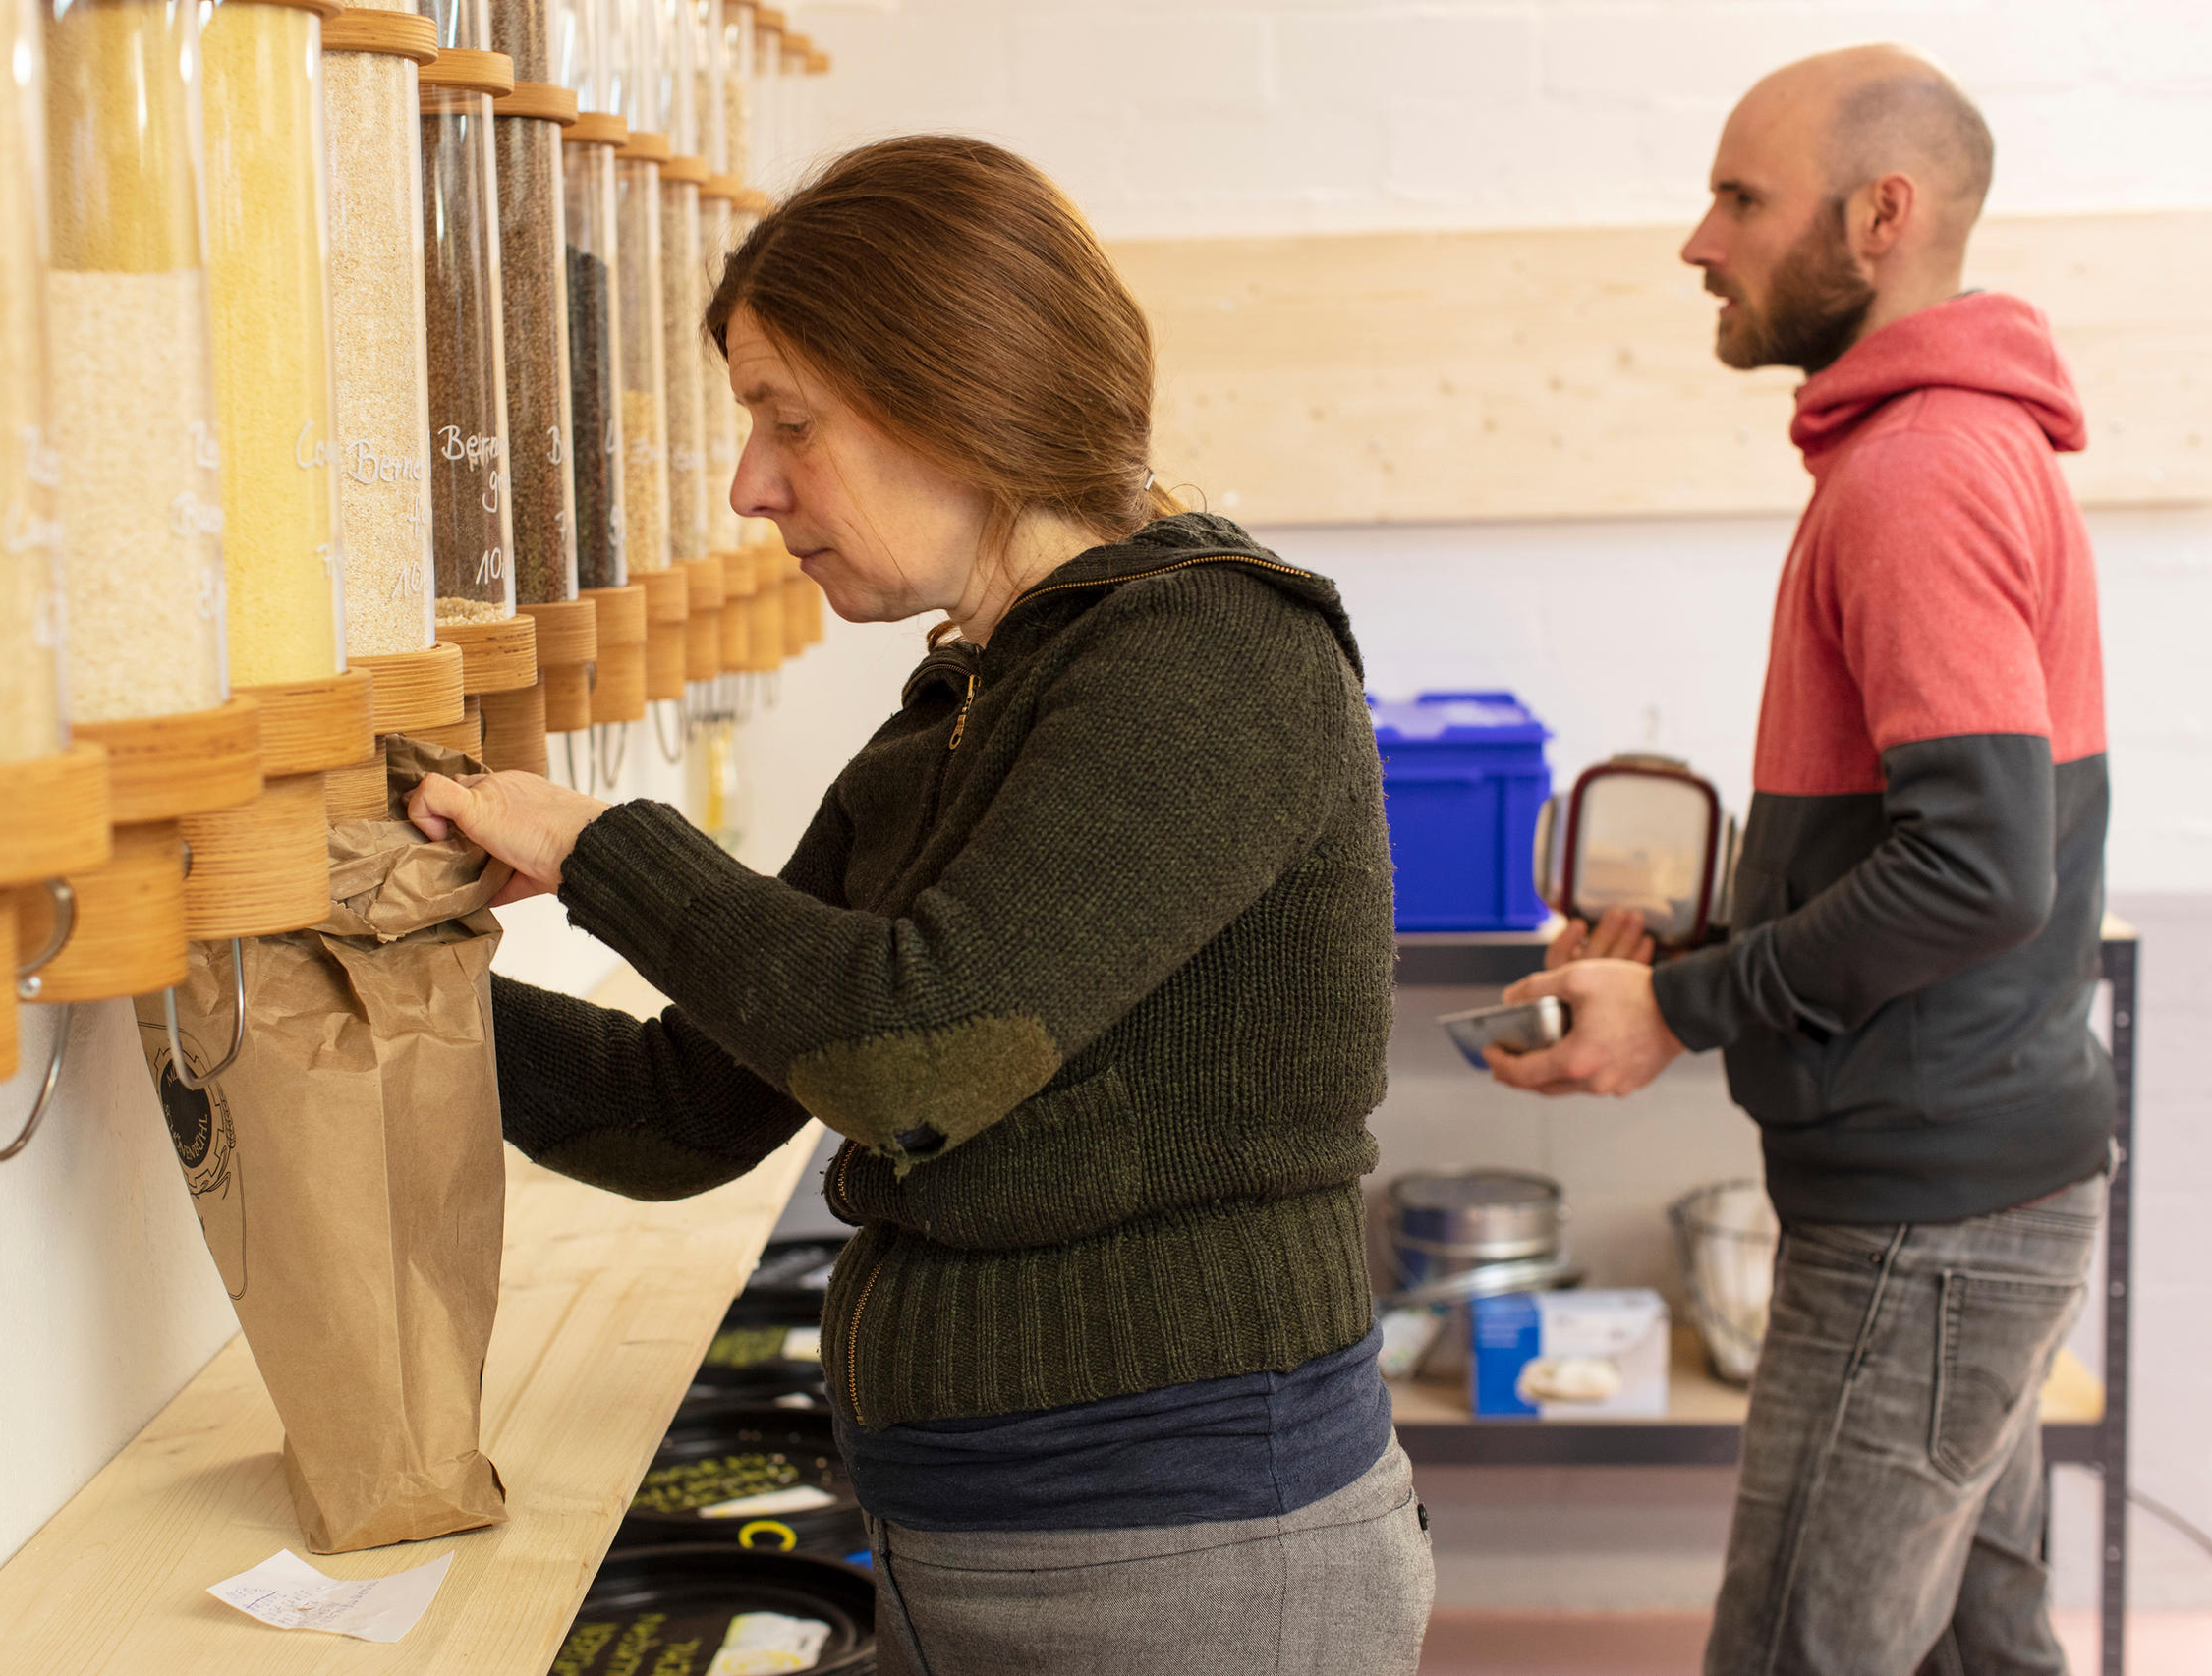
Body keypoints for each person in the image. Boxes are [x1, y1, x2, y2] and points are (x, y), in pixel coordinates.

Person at [409, 136, 1433, 1676]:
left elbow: (915, 1049)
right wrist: (376, 992)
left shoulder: (1217, 655)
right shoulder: (955, 709)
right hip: (997, 1540)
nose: (754, 484)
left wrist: (603, 846)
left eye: (787, 420)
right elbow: (680, 1108)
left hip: (1197, 1551)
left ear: (964, 395)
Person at [1489, 46, 2113, 1676]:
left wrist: (1682, 1006)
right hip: (1983, 1184)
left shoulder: (1917, 472)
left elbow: (1979, 870)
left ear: (1879, 216)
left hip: (1933, 1214)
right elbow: (1941, 834)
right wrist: (1695, 939)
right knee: (1983, 1648)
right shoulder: (1951, 451)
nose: (1701, 239)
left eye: (1741, 198)